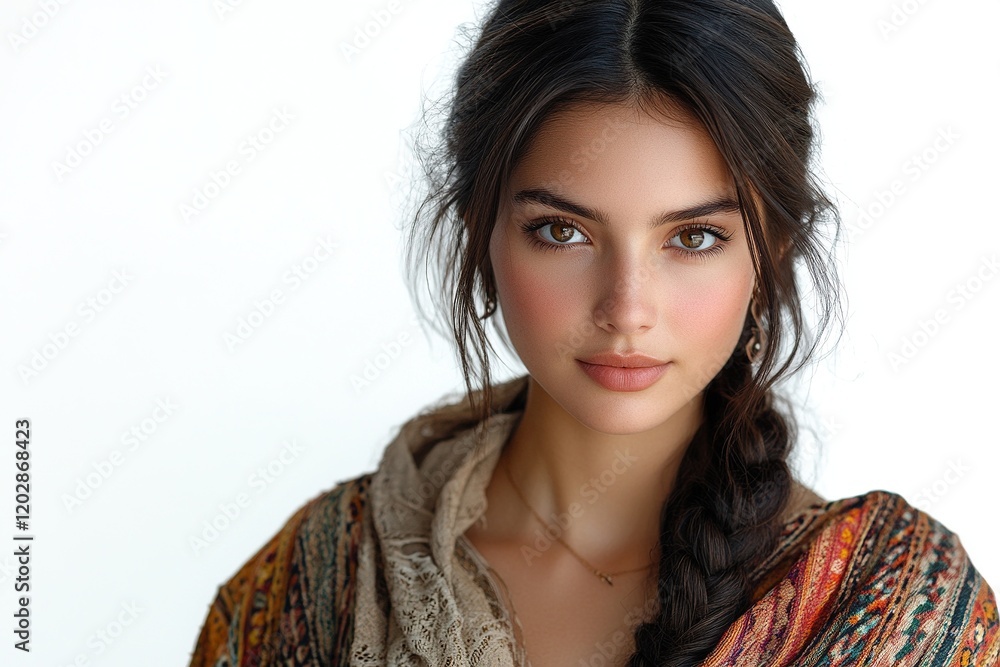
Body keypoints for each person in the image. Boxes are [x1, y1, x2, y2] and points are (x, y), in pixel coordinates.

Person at [188, 0, 999, 665]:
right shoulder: (314, 587)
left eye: (692, 238)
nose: (627, 307)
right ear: (482, 232)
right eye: (562, 232)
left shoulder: (894, 609)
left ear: (770, 249)